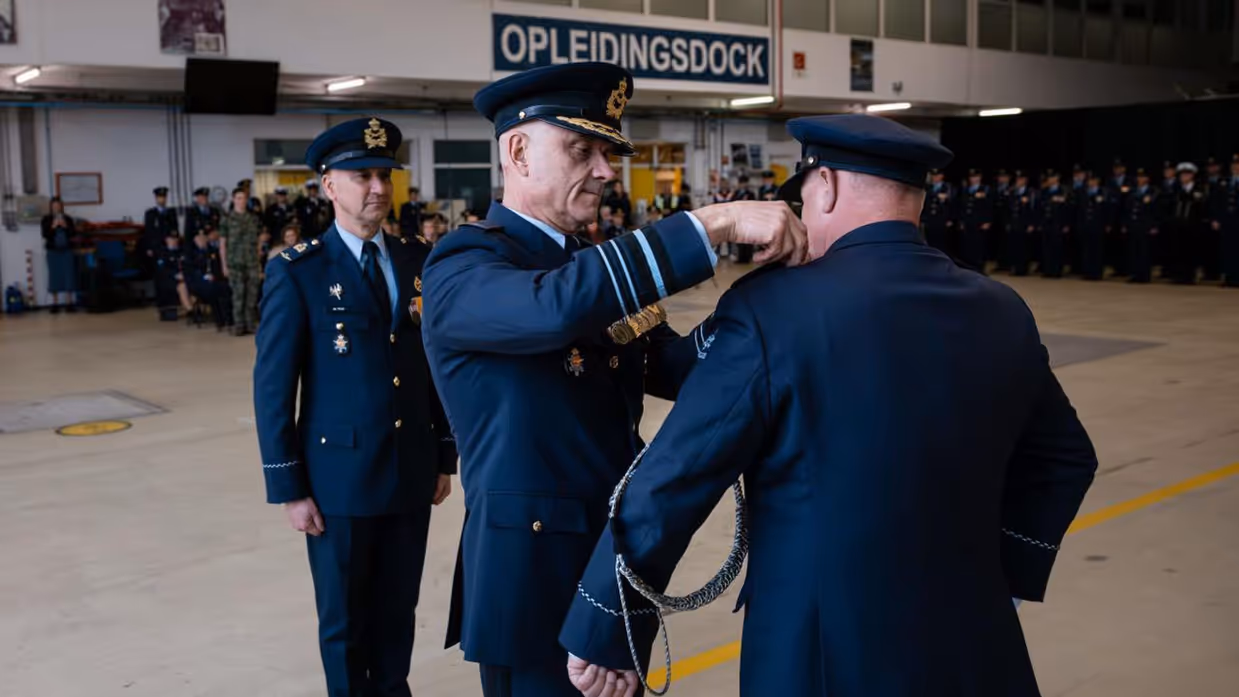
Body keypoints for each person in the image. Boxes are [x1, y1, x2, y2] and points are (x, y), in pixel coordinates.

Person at [561, 113, 1099, 697]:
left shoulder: (775, 307)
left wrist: (606, 627)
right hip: (976, 638)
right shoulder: (1001, 306)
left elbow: (677, 475)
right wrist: (1004, 575)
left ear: (828, 185)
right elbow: (1065, 456)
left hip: (821, 647)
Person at [420, 62, 807, 697]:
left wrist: (758, 303)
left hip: (616, 563)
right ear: (516, 151)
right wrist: (712, 224)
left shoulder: (596, 267)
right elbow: (552, 309)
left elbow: (676, 367)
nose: (605, 170)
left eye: (608, 151)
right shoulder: (464, 265)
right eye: (582, 149)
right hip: (535, 581)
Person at [254, 117, 457, 697]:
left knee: (399, 607)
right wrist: (289, 486)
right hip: (337, 477)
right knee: (344, 618)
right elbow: (273, 387)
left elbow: (433, 364)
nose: (377, 187)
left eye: (384, 175)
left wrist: (444, 454)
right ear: (329, 186)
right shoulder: (299, 272)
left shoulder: (420, 261)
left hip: (411, 466)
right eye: (362, 175)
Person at [219, 187, 263, 335]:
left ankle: (250, 323)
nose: (241, 201)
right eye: (238, 198)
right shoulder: (227, 219)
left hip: (251, 262)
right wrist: (224, 265)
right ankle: (238, 324)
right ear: (233, 200)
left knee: (251, 294)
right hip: (234, 263)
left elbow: (258, 243)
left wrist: (258, 263)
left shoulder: (253, 219)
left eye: (243, 198)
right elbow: (223, 243)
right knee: (238, 295)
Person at [185, 229, 233, 330]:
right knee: (212, 290)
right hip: (199, 283)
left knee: (226, 287)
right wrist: (205, 277)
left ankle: (229, 319)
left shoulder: (213, 251)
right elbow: (191, 272)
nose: (201, 240)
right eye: (199, 238)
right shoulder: (191, 254)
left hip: (215, 280)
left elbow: (218, 267)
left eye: (203, 238)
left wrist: (215, 276)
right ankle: (219, 320)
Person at [1168, 162, 1206, 285]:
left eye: (1187, 175)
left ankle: (1189, 276)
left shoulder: (1198, 189)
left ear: (1192, 176)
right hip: (1178, 225)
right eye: (1182, 175)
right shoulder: (1176, 189)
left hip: (1192, 226)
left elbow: (1201, 207)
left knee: (1191, 250)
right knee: (1177, 250)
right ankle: (1178, 275)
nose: (1184, 177)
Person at [41, 197, 80, 313]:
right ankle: (55, 303)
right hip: (53, 251)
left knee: (69, 275)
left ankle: (69, 303)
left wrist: (65, 226)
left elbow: (73, 234)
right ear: (51, 206)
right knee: (54, 277)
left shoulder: (68, 219)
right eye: (54, 206)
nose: (56, 208)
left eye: (58, 206)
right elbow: (45, 234)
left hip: (67, 251)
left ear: (61, 207)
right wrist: (53, 226)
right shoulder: (46, 219)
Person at [1123, 168, 1159, 284]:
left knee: (1145, 251)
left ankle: (1145, 275)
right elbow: (1126, 209)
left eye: (1143, 177)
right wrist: (1125, 224)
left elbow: (1156, 211)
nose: (1140, 179)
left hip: (1146, 225)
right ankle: (1135, 274)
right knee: (1134, 250)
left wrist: (1154, 225)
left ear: (1147, 179)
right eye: (1138, 177)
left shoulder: (1153, 191)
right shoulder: (1133, 191)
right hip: (1133, 224)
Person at [1077, 172, 1115, 281]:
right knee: (1086, 250)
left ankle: (1097, 273)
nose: (1091, 182)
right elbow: (1079, 210)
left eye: (1093, 180)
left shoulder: (1104, 192)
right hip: (1086, 224)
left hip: (1098, 225)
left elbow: (1109, 210)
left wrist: (1108, 224)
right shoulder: (1083, 192)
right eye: (1089, 180)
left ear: (1097, 181)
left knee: (1097, 250)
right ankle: (1087, 272)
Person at [957, 168, 993, 273]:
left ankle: (979, 268)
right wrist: (961, 221)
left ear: (980, 177)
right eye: (972, 177)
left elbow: (990, 206)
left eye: (975, 177)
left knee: (979, 245)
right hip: (968, 221)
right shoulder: (966, 189)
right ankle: (969, 267)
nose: (973, 179)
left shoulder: (986, 189)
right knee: (967, 245)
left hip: (980, 222)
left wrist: (988, 221)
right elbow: (962, 207)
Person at [1038, 170, 1071, 278]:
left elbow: (1067, 209)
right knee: (1046, 247)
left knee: (1057, 247)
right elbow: (1040, 207)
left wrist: (1066, 224)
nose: (1050, 180)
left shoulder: (1064, 190)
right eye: (1049, 178)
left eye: (1052, 177)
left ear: (1057, 178)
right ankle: (1047, 270)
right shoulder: (1045, 190)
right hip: (1046, 223)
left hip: (1058, 223)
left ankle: (1057, 271)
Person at [154, 231, 193, 320]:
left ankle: (192, 308)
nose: (174, 241)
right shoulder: (162, 253)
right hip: (170, 279)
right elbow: (163, 270)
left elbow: (189, 265)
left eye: (175, 238)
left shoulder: (182, 251)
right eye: (171, 239)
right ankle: (190, 310)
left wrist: (186, 273)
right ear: (166, 240)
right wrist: (176, 275)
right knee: (182, 286)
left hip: (186, 277)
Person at [1006, 170, 1038, 277]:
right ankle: (1015, 267)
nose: (1019, 181)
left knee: (1024, 247)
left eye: (1021, 179)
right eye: (1017, 179)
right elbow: (1009, 209)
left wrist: (1032, 224)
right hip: (1014, 223)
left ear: (1025, 180)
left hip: (1024, 224)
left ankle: (1023, 268)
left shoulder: (1030, 192)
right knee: (1014, 246)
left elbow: (1033, 209)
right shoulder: (1013, 191)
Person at [142, 186, 180, 270]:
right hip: (157, 246)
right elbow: (148, 232)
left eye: (164, 197)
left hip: (171, 246)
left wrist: (175, 239)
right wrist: (149, 248)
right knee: (160, 270)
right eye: (160, 197)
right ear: (156, 198)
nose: (162, 199)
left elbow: (175, 228)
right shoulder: (150, 213)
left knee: (172, 268)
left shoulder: (171, 212)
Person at [920, 168, 954, 253]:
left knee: (941, 242)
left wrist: (950, 218)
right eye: (934, 175)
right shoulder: (928, 187)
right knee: (930, 240)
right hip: (930, 218)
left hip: (942, 218)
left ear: (942, 176)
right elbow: (925, 204)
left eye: (937, 175)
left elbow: (953, 204)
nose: (935, 178)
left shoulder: (948, 187)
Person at [1220, 155, 1239, 288]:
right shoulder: (1224, 181)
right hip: (1226, 220)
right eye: (1234, 164)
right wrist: (1216, 218)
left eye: (1238, 164)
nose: (1235, 166)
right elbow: (1216, 201)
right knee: (1227, 249)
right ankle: (1228, 276)